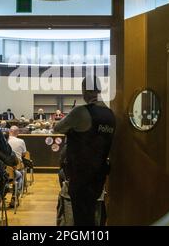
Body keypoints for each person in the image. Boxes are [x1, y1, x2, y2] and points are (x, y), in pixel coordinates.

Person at [53, 76, 115, 226]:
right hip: (100, 175)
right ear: (99, 90)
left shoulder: (80, 112)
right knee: (95, 215)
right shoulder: (111, 115)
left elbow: (57, 128)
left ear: (85, 91)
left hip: (80, 175)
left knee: (81, 219)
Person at [7, 126, 27, 207]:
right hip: (16, 167)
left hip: (4, 169)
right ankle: (15, 196)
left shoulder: (3, 141)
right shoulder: (21, 141)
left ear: (9, 132)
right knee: (20, 174)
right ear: (17, 133)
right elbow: (24, 154)